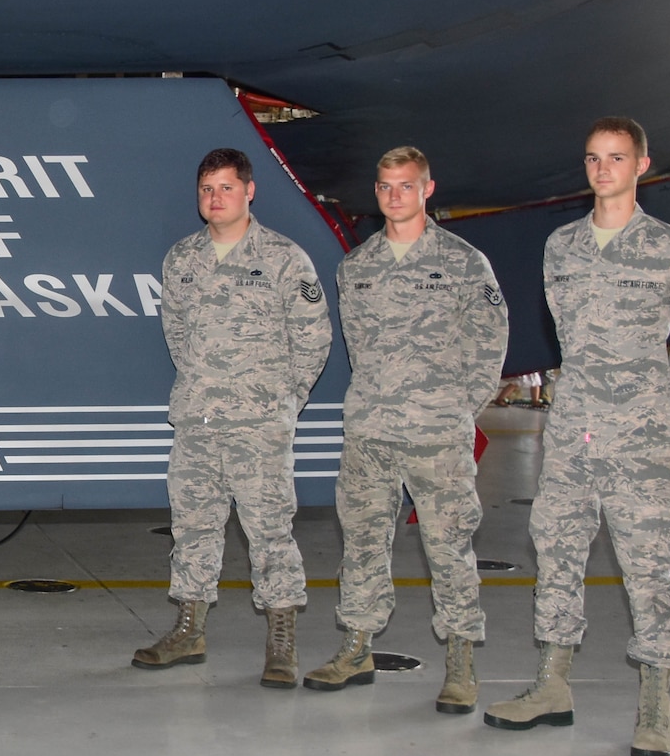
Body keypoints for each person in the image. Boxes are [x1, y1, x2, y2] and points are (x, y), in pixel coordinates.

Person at [484, 118, 670, 756]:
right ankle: (552, 683)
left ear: (643, 164)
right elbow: (564, 333)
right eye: (593, 158)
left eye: (616, 158)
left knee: (646, 565)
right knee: (556, 552)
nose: (603, 169)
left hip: (640, 435)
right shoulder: (561, 245)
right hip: (572, 433)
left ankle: (654, 702)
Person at [302, 146, 507, 712]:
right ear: (377, 192)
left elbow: (489, 347)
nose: (395, 195)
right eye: (386, 186)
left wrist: (455, 411)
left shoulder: (465, 263)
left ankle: (462, 662)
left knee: (449, 547)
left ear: (427, 189)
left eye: (406, 185)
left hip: (437, 435)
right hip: (370, 432)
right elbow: (357, 350)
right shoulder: (356, 267)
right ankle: (357, 647)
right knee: (363, 543)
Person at [134, 147, 333, 687]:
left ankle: (282, 640)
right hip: (197, 420)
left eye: (225, 187)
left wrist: (283, 401)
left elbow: (313, 339)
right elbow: (176, 333)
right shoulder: (182, 259)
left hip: (259, 424)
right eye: (206, 189)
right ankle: (189, 631)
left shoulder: (284, 258)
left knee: (270, 531)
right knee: (193, 527)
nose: (215, 198)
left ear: (250, 191)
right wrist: (203, 386)